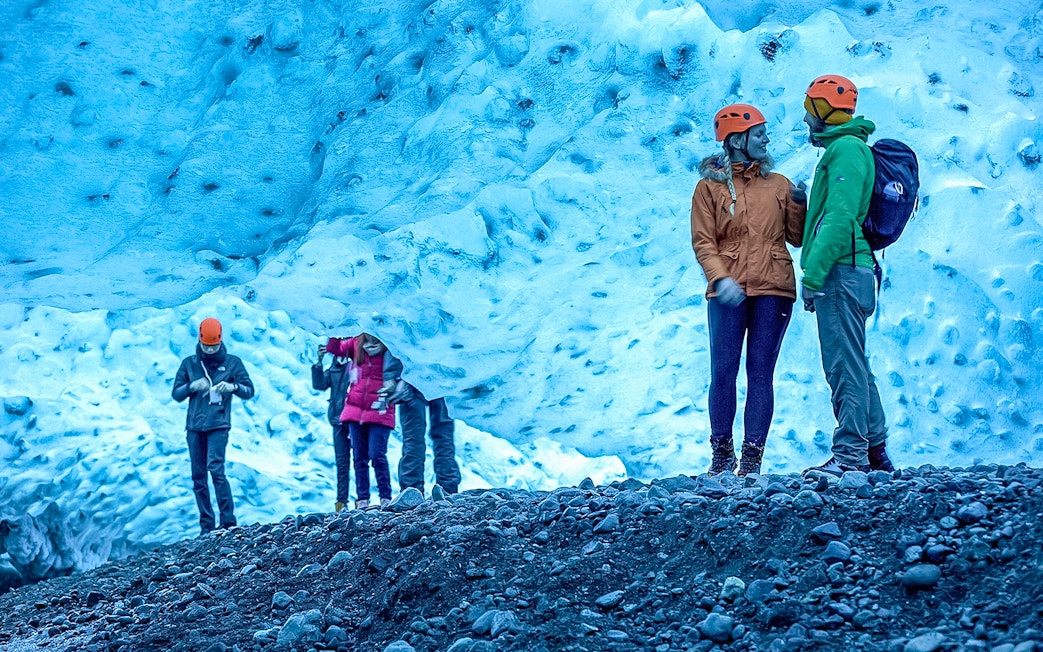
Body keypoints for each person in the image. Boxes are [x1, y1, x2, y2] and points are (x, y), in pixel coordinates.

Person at [690, 103, 807, 476]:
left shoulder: (780, 185)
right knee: (723, 371)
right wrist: (719, 278)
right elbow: (703, 242)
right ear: (737, 140)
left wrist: (799, 205)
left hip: (774, 289)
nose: (766, 140)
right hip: (727, 291)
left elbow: (797, 237)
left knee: (760, 373)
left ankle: (752, 461)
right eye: (759, 134)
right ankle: (722, 455)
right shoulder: (708, 187)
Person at [798, 74, 894, 476]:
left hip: (842, 271)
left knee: (843, 366)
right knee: (855, 362)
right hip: (853, 269)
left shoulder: (847, 151)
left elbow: (838, 222)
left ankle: (850, 455)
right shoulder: (845, 149)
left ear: (824, 111)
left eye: (809, 110)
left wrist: (813, 277)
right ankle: (875, 455)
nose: (806, 119)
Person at [172, 317, 255, 535]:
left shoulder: (233, 363)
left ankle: (228, 521)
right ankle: (206, 526)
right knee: (198, 476)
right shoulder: (190, 363)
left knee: (216, 470)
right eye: (206, 346)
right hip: (194, 427)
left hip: (218, 425)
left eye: (214, 346)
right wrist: (191, 386)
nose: (209, 351)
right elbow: (176, 393)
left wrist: (233, 386)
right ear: (199, 341)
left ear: (220, 341)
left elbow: (249, 390)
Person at [381, 352, 461, 495]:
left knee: (414, 438)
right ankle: (448, 489)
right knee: (443, 435)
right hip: (442, 377)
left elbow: (394, 336)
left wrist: (391, 376)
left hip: (412, 380)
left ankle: (411, 490)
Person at [338, 333, 395, 509]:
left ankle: (385, 497)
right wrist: (335, 329)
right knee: (359, 457)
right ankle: (362, 500)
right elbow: (335, 348)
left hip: (380, 409)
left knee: (377, 455)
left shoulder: (392, 346)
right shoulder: (356, 345)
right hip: (355, 411)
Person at [312, 337, 357, 512]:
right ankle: (341, 502)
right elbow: (319, 384)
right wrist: (318, 363)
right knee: (342, 462)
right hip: (338, 421)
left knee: (360, 460)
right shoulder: (334, 367)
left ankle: (362, 498)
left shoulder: (355, 365)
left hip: (354, 420)